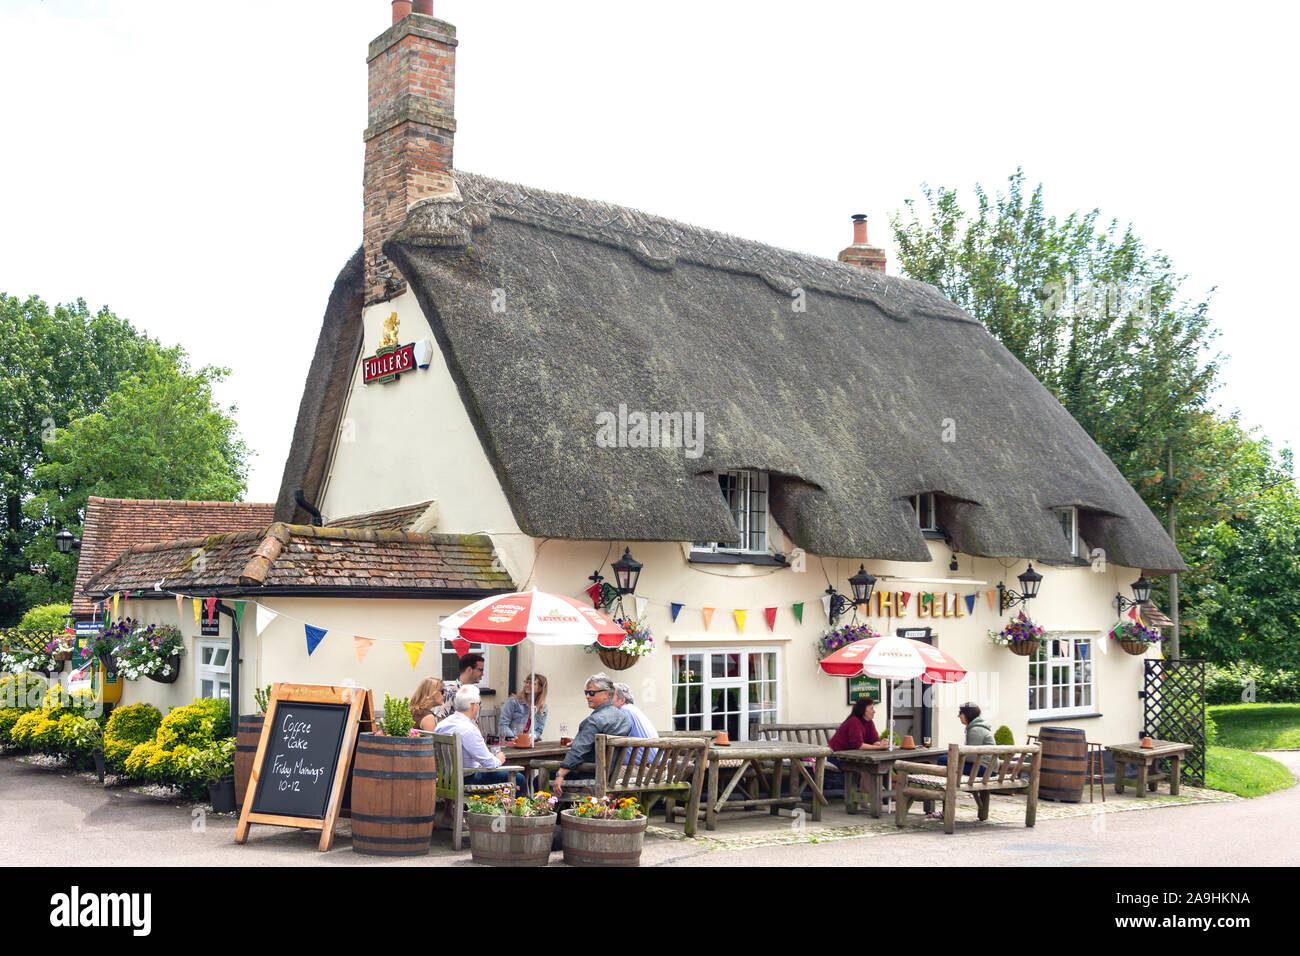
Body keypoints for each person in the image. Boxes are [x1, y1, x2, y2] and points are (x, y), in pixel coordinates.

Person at [551, 673, 630, 796]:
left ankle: (553, 814)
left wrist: (560, 774)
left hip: (590, 775)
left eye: (591, 693)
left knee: (541, 777)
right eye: (586, 693)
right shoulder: (624, 720)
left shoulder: (594, 720)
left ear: (606, 694)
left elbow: (578, 751)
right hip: (611, 776)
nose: (587, 696)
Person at [434, 685, 523, 789]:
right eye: (478, 704)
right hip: (467, 779)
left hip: (445, 779)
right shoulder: (469, 729)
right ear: (474, 707)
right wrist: (499, 759)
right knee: (519, 778)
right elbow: (488, 763)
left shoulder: (441, 725)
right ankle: (504, 805)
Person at [612, 682, 657, 763]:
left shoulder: (624, 711)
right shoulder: (633, 710)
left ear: (622, 700)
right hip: (655, 768)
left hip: (641, 770)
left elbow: (612, 739)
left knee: (598, 772)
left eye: (611, 696)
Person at [433, 652, 485, 721]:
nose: (482, 674)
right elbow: (441, 720)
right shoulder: (449, 691)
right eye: (480, 670)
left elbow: (476, 721)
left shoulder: (475, 691)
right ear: (469, 670)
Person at [500, 673, 548, 742]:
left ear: (540, 688)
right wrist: (516, 739)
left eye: (531, 683)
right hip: (509, 743)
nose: (527, 685)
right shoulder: (513, 702)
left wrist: (532, 737)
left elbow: (539, 730)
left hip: (527, 744)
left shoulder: (543, 708)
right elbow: (503, 725)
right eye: (526, 682)